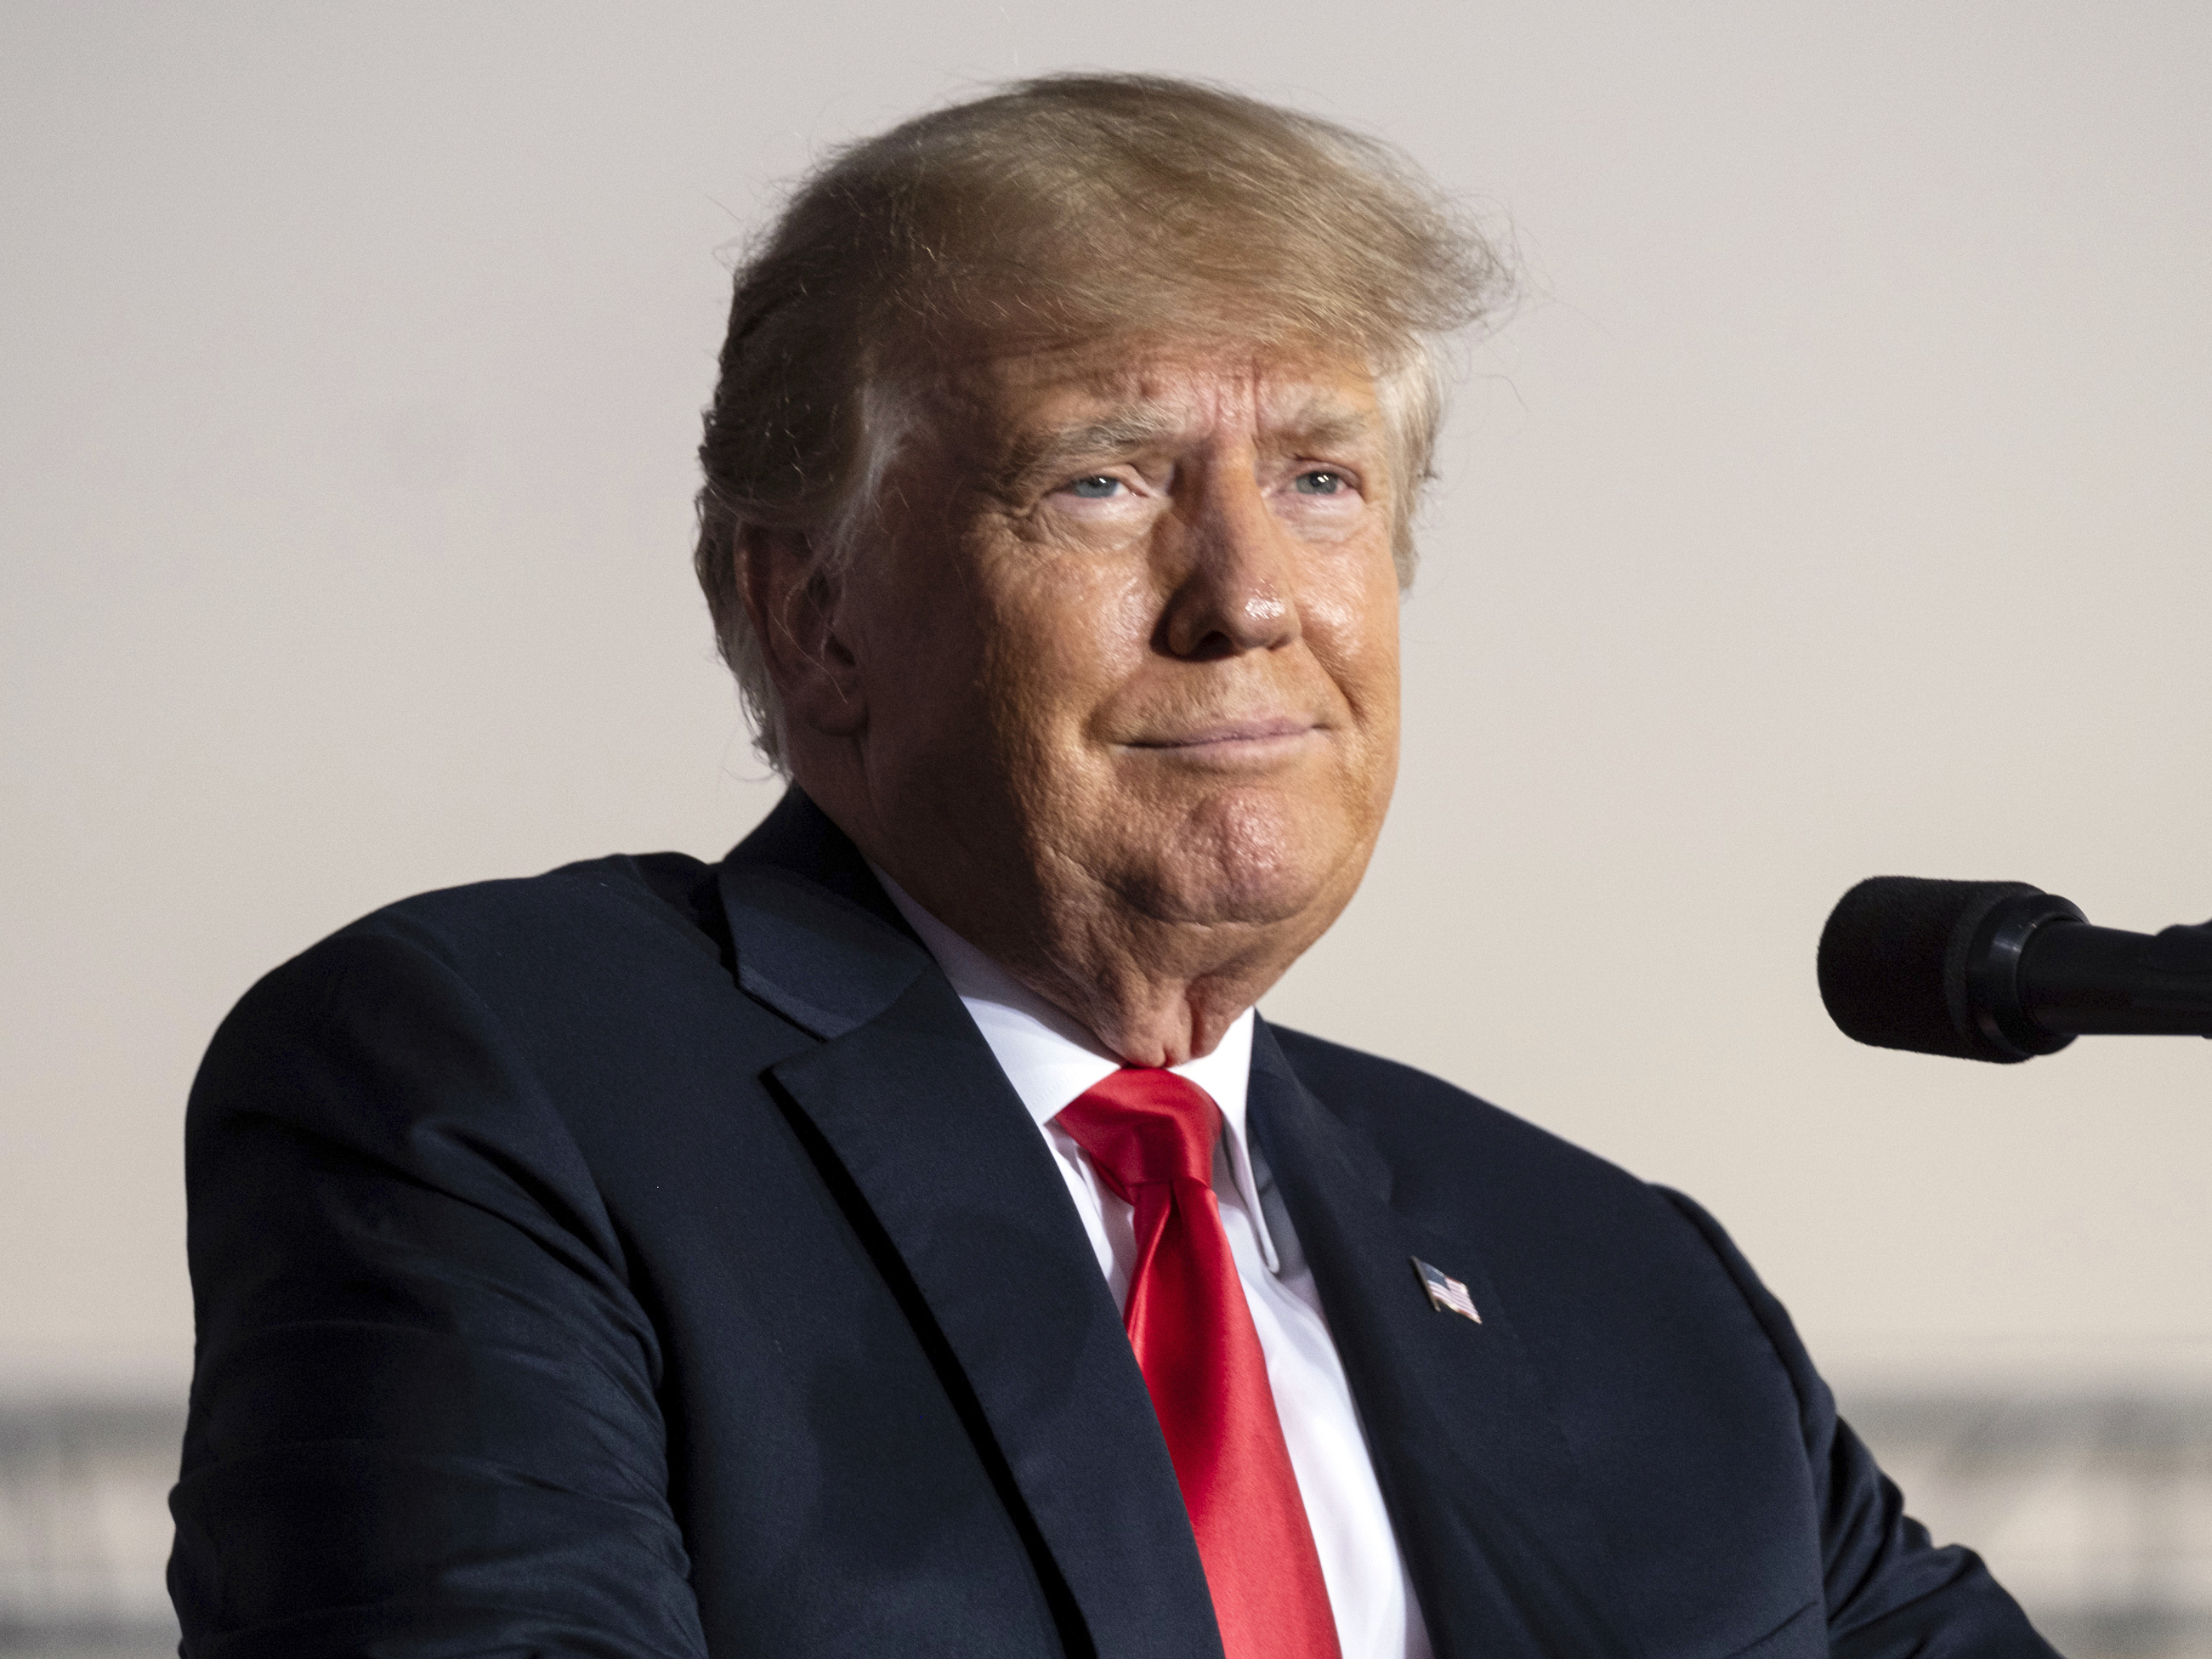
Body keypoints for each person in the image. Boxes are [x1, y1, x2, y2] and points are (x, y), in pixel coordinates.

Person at [169, 74, 2056, 1659]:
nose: (1245, 595)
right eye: (1103, 479)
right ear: (812, 611)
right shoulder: (497, 1089)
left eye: (1322, 478)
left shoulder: (1622, 1285)